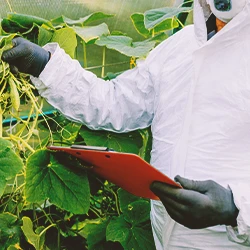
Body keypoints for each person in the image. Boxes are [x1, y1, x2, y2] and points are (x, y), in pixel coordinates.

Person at [2, 0, 250, 249]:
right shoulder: (181, 46)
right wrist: (44, 64)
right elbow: (115, 103)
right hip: (164, 237)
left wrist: (234, 207)